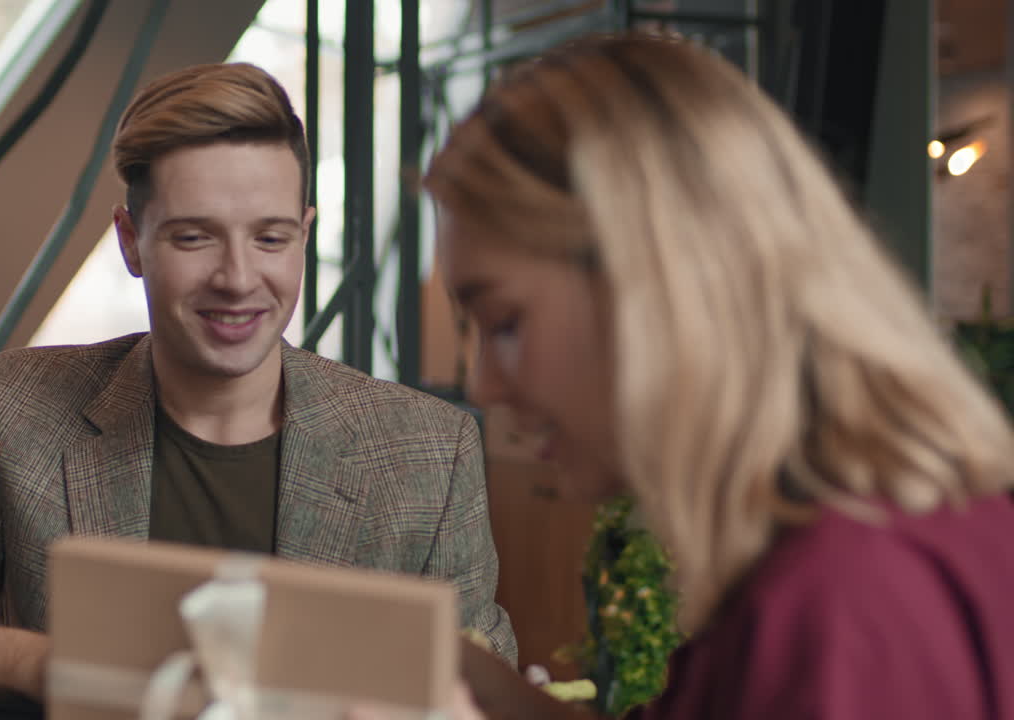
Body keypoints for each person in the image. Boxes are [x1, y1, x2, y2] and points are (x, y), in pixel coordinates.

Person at [0, 62, 514, 711]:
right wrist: (43, 665)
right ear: (130, 241)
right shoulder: (21, 413)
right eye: (193, 238)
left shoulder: (429, 454)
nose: (239, 278)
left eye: (270, 239)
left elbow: (488, 696)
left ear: (305, 235)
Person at [399, 32, 1014, 720]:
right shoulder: (862, 541)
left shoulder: (843, 606)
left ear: (658, 283)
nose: (485, 387)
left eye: (506, 323)